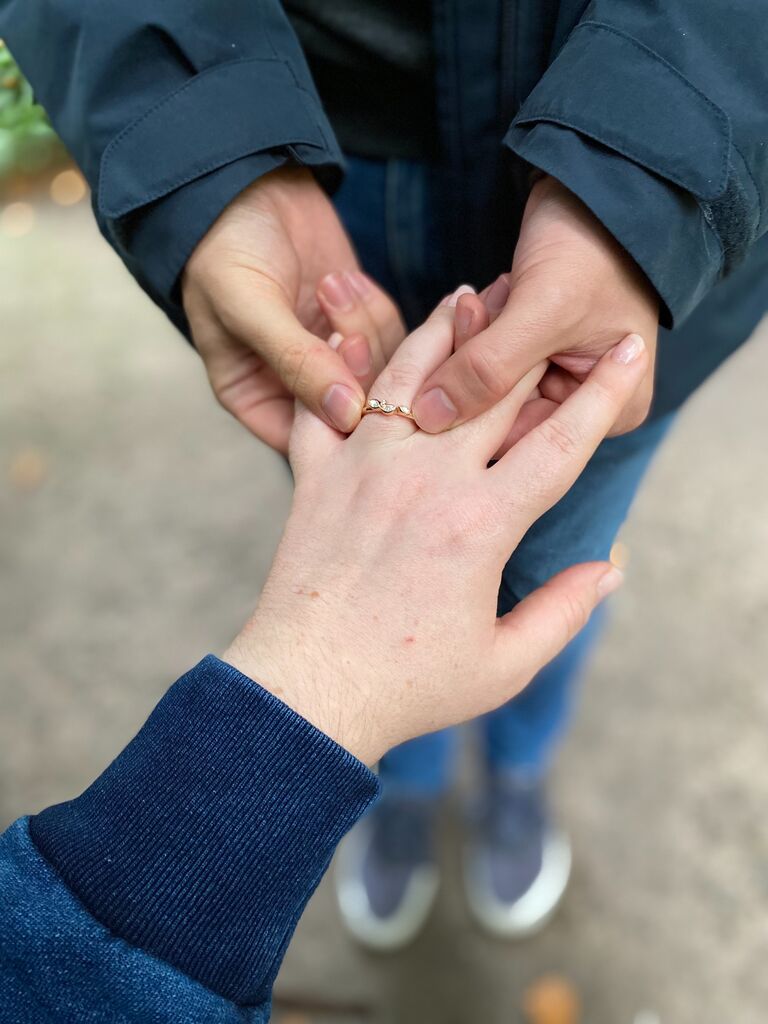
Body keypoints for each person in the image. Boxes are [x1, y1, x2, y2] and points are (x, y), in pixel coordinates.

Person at [2, 0, 767, 944]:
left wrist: (647, 179)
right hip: (321, 139)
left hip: (649, 220)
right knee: (365, 548)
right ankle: (392, 776)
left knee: (562, 562)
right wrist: (205, 149)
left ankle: (519, 769)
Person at [0, 294, 648, 1020]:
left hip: (636, 318)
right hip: (369, 247)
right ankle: (408, 789)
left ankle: (517, 771)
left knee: (537, 565)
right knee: (389, 552)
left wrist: (634, 237)